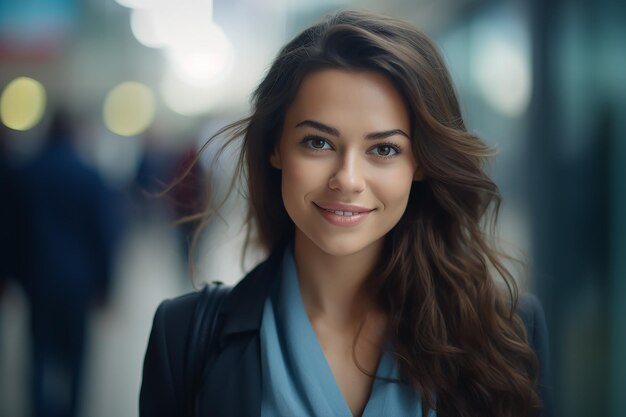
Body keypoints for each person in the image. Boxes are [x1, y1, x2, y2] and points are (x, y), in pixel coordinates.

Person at [140, 10, 551, 417]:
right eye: (318, 143)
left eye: (384, 149)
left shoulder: (508, 333)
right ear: (276, 147)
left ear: (420, 163)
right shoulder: (183, 336)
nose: (348, 179)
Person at [16, 110, 124, 417]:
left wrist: (11, 274)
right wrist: (107, 285)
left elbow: (14, 231)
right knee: (77, 357)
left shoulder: (28, 173)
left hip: (37, 279)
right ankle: (72, 410)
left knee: (40, 354)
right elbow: (102, 234)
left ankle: (39, 408)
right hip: (79, 282)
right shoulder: (88, 175)